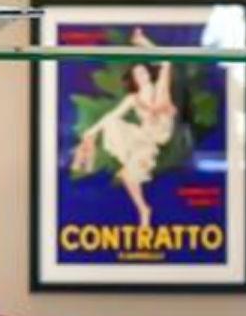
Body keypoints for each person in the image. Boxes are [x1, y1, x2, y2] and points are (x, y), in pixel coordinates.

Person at [71, 35, 177, 231]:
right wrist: (91, 132)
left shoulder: (159, 88)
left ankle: (92, 154)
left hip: (159, 133)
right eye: (138, 74)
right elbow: (111, 115)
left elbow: (167, 61)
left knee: (162, 94)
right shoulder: (133, 98)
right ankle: (144, 209)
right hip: (145, 137)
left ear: (148, 73)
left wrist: (143, 42)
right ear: (134, 80)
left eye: (143, 71)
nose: (142, 75)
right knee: (128, 175)